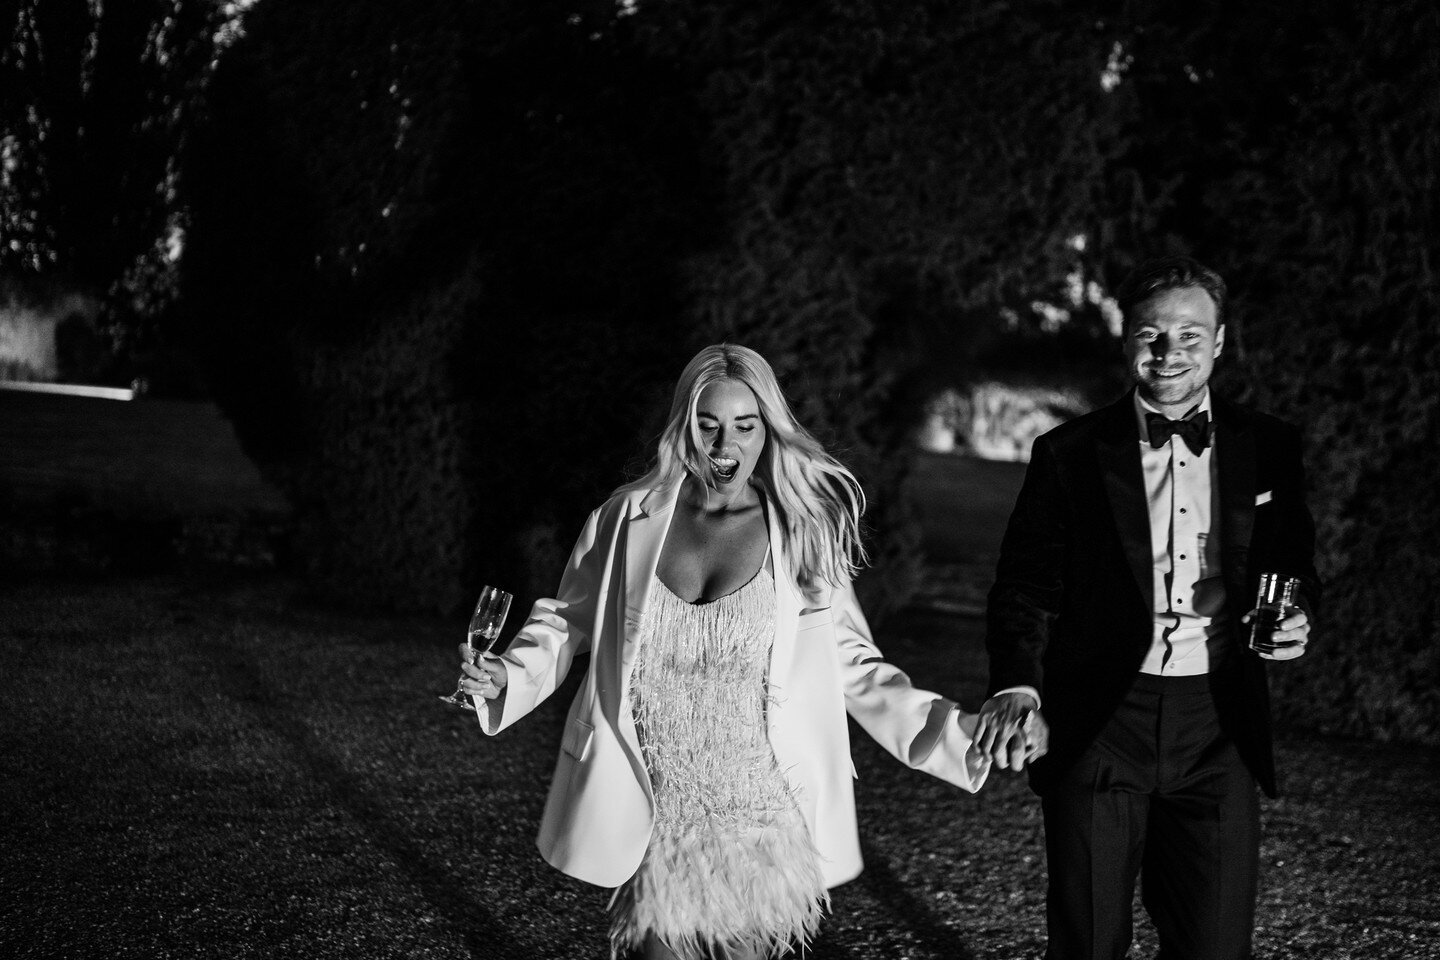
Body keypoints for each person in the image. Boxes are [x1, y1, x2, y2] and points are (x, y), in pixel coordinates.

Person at [457, 343, 989, 960]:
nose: (724, 446)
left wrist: (960, 734)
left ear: (768, 431)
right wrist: (507, 674)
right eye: (708, 425)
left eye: (745, 425)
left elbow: (857, 666)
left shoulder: (800, 533)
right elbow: (569, 619)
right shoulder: (625, 518)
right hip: (654, 805)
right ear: (684, 425)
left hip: (759, 816)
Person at [973, 256, 1320, 960]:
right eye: (1151, 335)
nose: (1170, 354)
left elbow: (1291, 564)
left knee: (1217, 945)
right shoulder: (1067, 452)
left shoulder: (1272, 445)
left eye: (1191, 336)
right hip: (1102, 719)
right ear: (1126, 338)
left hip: (1218, 724)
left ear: (1220, 342)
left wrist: (1296, 619)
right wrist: (1018, 684)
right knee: (1089, 941)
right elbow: (1024, 583)